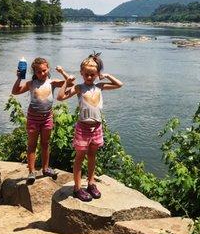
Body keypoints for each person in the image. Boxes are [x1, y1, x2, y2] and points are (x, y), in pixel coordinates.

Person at [56, 53, 123, 202]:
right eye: (86, 74)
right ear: (81, 73)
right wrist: (67, 82)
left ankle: (91, 183)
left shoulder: (100, 86)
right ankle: (77, 188)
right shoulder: (79, 88)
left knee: (92, 156)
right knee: (79, 158)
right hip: (83, 128)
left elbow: (119, 84)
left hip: (97, 127)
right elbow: (60, 97)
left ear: (97, 74)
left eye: (93, 74)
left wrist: (107, 75)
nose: (89, 77)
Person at [12, 57, 74, 184]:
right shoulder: (31, 84)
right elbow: (15, 91)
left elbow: (71, 83)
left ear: (48, 69)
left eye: (44, 71)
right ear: (34, 72)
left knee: (45, 144)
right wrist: (19, 78)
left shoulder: (52, 82)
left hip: (47, 118)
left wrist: (62, 71)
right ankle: (31, 172)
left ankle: (46, 168)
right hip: (33, 119)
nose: (42, 74)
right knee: (32, 145)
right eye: (38, 72)